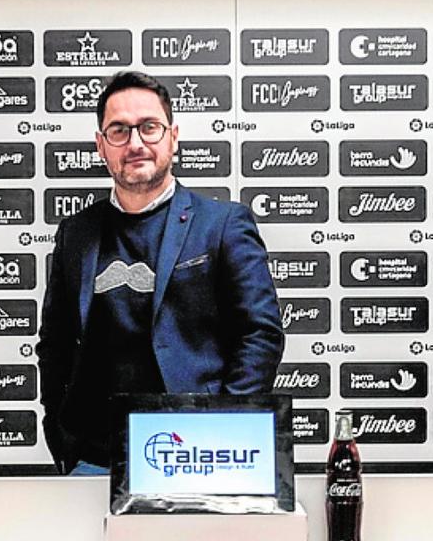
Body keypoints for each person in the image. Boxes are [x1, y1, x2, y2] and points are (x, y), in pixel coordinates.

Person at [38, 70, 284, 474]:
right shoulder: (76, 234)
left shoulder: (222, 225)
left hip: (197, 455)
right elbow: (55, 343)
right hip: (94, 460)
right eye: (119, 131)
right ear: (101, 145)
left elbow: (260, 335)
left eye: (149, 127)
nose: (135, 143)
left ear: (173, 137)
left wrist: (222, 430)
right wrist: (60, 432)